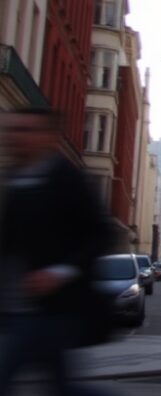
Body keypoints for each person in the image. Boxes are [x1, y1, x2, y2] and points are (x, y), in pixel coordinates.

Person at [0, 107, 113, 395]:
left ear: (48, 137)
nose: (16, 137)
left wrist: (58, 272)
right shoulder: (16, 177)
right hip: (20, 307)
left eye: (26, 130)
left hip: (55, 307)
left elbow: (101, 233)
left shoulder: (67, 179)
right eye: (13, 129)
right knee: (61, 387)